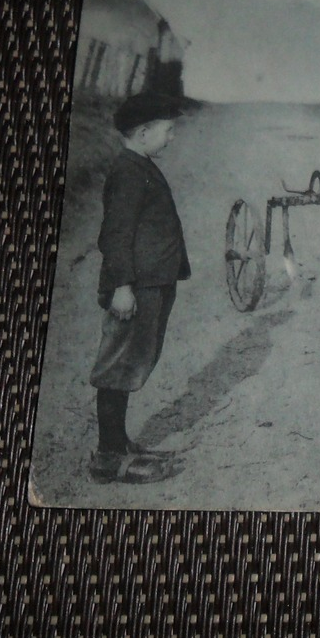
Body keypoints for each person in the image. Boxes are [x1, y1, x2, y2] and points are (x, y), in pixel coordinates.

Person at [87, 91, 191, 484]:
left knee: (133, 361)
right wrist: (121, 286)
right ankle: (108, 457)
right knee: (118, 364)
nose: (172, 137)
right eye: (168, 131)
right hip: (136, 286)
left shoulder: (139, 164)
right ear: (145, 132)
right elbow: (116, 234)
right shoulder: (128, 171)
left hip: (152, 283)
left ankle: (117, 441)